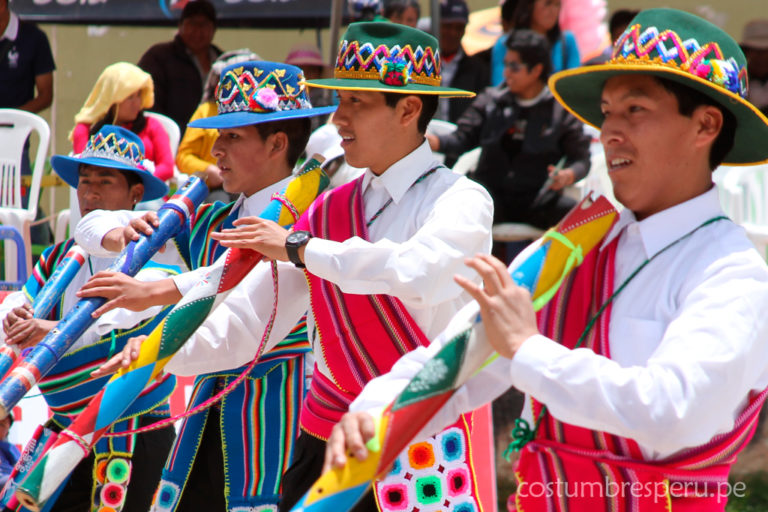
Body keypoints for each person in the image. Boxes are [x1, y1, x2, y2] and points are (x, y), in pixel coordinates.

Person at [328, 8, 768, 511]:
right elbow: (459, 355)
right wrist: (374, 410)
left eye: (635, 110)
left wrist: (527, 348)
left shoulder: (733, 273)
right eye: (607, 112)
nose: (609, 132)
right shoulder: (576, 241)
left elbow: (673, 411)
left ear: (705, 125)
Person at [94, 21, 494, 512]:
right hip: (323, 444)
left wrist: (303, 248)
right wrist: (159, 351)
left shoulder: (460, 200)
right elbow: (248, 320)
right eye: (340, 100)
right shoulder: (327, 211)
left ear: (409, 109)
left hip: (413, 445)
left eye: (356, 102)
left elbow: (422, 272)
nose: (338, 118)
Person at [76, 61, 337, 512]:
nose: (216, 150)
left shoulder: (309, 227)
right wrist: (121, 232)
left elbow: (244, 325)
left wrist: (157, 344)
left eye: (232, 136)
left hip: (279, 416)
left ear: (277, 144)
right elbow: (90, 224)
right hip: (206, 416)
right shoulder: (214, 221)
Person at [0, 125, 176, 512]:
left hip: (132, 428)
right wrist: (15, 318)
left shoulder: (156, 251)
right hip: (65, 425)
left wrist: (48, 332)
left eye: (105, 181)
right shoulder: (59, 257)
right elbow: (22, 301)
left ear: (135, 193)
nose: (91, 193)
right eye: (85, 181)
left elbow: (121, 321)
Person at [429, 30, 590, 230]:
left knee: (581, 218)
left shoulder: (560, 110)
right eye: (505, 65)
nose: (506, 73)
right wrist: (430, 140)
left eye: (514, 66)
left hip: (537, 200)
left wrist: (568, 175)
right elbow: (461, 139)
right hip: (491, 197)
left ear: (536, 70)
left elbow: (581, 159)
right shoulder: (491, 100)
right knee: (456, 208)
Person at [176, 49, 259, 203]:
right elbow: (184, 156)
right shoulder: (205, 111)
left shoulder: (260, 114)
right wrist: (208, 170)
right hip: (219, 188)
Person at [70, 62, 174, 182]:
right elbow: (83, 169)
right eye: (130, 97)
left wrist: (138, 182)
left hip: (144, 189)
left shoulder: (152, 125)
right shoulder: (85, 129)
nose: (137, 103)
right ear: (111, 99)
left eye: (139, 95)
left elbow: (167, 167)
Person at [138, 0, 222, 134]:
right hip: (170, 137)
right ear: (180, 26)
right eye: (192, 24)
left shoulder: (223, 61)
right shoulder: (158, 57)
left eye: (204, 25)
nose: (197, 31)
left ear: (214, 29)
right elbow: (147, 103)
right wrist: (166, 134)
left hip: (214, 136)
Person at [435, 0, 490, 123]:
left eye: (459, 28)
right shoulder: (422, 63)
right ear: (438, 25)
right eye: (448, 26)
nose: (453, 33)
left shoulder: (478, 69)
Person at [284, 43, 334, 131]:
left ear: (319, 74)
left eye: (311, 71)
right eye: (300, 71)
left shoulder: (323, 103)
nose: (305, 76)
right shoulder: (284, 101)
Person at [741, 19, 768, 112]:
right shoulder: (738, 81)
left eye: (764, 51)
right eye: (756, 51)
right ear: (746, 52)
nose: (762, 57)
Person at [0, 413, 19, 489]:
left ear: (7, 432)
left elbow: (21, 465)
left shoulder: (10, 447)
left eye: (2, 425)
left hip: (8, 479)